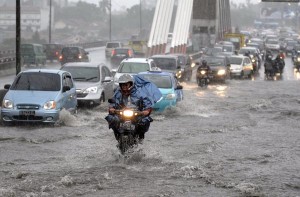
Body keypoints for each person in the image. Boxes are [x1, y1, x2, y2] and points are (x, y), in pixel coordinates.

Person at [105, 74, 162, 142]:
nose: (124, 87)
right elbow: (113, 102)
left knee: (144, 121)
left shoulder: (139, 92)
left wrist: (146, 110)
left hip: (137, 114)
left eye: (126, 85)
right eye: (123, 85)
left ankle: (140, 137)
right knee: (112, 119)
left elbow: (146, 102)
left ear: (130, 84)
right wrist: (112, 108)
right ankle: (117, 135)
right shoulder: (118, 92)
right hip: (121, 114)